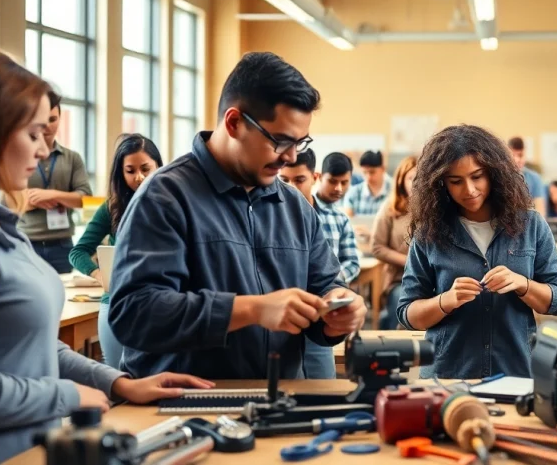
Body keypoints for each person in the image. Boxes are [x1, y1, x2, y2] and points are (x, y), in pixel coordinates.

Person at [0, 50, 211, 465]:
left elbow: (36, 347)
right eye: (33, 134)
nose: (44, 151)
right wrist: (67, 394)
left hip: (37, 448)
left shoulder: (3, 227)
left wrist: (119, 382)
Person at [108, 52, 367, 379]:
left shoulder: (295, 206)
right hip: (187, 401)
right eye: (280, 141)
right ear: (233, 123)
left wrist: (339, 309)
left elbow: (324, 286)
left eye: (299, 143)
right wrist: (252, 309)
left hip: (278, 398)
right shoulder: (164, 197)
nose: (290, 157)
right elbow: (134, 314)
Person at [397, 125, 557, 378]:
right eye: (456, 181)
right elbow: (408, 314)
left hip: (515, 372)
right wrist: (446, 301)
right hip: (449, 375)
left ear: (494, 173)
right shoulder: (429, 233)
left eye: (477, 176)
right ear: (440, 184)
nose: (469, 189)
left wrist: (523, 285)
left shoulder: (531, 225)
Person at [68, 134, 163, 369]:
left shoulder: (174, 204)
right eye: (130, 171)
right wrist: (100, 275)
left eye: (145, 169)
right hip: (116, 304)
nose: (138, 177)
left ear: (159, 166)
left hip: (160, 305)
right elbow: (78, 252)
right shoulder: (112, 207)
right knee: (116, 377)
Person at [279, 149, 360, 379]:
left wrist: (333, 286)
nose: (291, 187)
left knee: (322, 383)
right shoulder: (271, 216)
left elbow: (351, 262)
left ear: (313, 177)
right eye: (284, 180)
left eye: (299, 180)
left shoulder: (336, 218)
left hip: (320, 313)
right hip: (285, 316)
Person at [10, 90, 93, 273]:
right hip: (26, 242)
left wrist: (52, 195)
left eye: (53, 119)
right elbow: (6, 200)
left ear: (60, 119)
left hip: (63, 245)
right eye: (43, 120)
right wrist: (31, 201)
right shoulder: (19, 155)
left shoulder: (72, 158)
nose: (47, 125)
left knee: (65, 290)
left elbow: (86, 199)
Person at [372, 156, 418, 330]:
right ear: (401, 181)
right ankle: (394, 346)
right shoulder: (390, 208)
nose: (415, 184)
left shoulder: (436, 208)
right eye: (411, 178)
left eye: (420, 179)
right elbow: (377, 247)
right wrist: (409, 262)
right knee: (401, 299)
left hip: (433, 281)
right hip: (400, 280)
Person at [507, 136, 547, 216]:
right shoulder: (501, 176)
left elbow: (540, 211)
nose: (517, 160)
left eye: (520, 155)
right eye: (513, 155)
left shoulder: (534, 178)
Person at [344, 150, 391, 217]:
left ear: (383, 169)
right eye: (365, 173)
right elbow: (349, 219)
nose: (368, 177)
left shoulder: (394, 191)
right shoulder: (353, 193)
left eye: (372, 172)